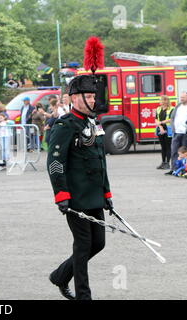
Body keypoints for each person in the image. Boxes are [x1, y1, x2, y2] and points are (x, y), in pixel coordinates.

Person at [47, 75, 113, 300]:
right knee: (83, 245)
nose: (94, 101)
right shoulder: (65, 124)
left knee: (99, 243)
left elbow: (100, 161)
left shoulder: (92, 123)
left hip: (94, 196)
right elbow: (55, 162)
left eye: (94, 97)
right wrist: (61, 194)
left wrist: (107, 192)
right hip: (75, 197)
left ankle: (60, 275)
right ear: (75, 98)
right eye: (89, 97)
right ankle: (84, 296)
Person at [166, 92, 187, 175]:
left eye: (183, 97)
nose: (181, 99)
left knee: (185, 152)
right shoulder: (178, 106)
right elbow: (172, 117)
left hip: (185, 133)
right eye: (181, 97)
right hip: (176, 132)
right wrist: (173, 128)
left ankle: (185, 169)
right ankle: (173, 168)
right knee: (174, 151)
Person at [155, 95, 174, 170]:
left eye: (160, 100)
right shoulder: (158, 109)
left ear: (165, 101)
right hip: (161, 129)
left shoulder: (172, 109)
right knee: (163, 147)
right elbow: (156, 119)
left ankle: (167, 163)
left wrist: (162, 122)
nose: (159, 101)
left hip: (168, 129)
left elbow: (171, 119)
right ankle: (163, 162)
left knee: (168, 146)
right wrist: (160, 127)